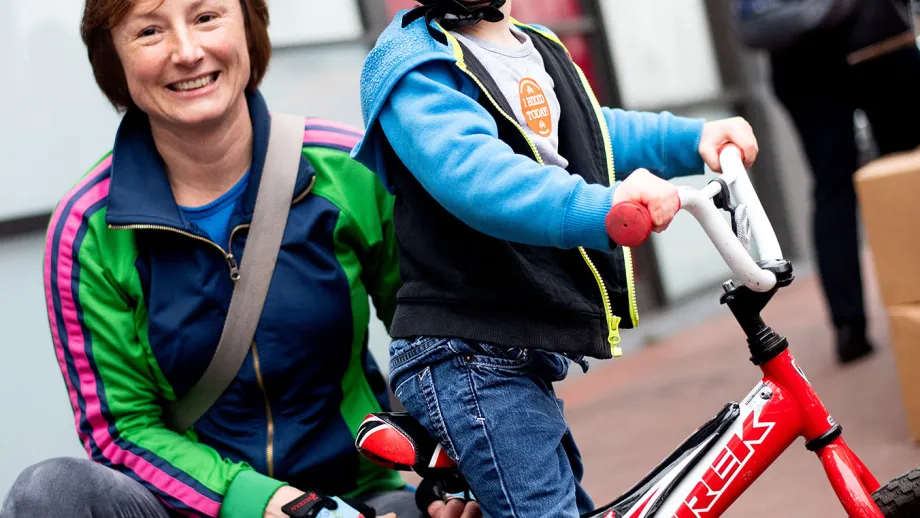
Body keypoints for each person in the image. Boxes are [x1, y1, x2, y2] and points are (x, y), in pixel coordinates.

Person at [0, 0, 480, 517]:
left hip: (361, 497)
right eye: (149, 31)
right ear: (113, 59)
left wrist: (454, 484)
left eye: (207, 17)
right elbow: (122, 430)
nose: (187, 52)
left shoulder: (350, 171)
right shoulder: (88, 230)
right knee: (48, 493)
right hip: (195, 507)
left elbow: (446, 340)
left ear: (248, 27)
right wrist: (273, 506)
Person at [350, 1, 760, 516]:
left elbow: (592, 133)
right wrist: (601, 206)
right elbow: (479, 177)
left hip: (514, 343)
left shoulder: (533, 44)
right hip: (467, 348)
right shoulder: (416, 67)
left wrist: (692, 139)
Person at [762, 0, 920, 363]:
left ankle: (849, 326)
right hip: (874, 40)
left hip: (798, 62)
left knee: (832, 188)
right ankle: (911, 293)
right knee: (904, 172)